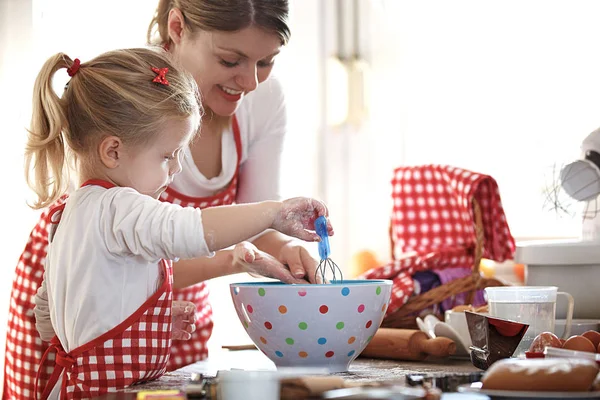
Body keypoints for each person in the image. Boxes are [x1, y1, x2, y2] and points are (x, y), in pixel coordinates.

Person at [2, 1, 316, 399]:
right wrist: (263, 225)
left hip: (148, 317)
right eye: (231, 59)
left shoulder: (261, 101)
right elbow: (168, 238)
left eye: (267, 61)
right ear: (178, 27)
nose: (251, 82)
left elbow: (254, 225)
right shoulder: (135, 108)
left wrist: (283, 244)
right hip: (88, 311)